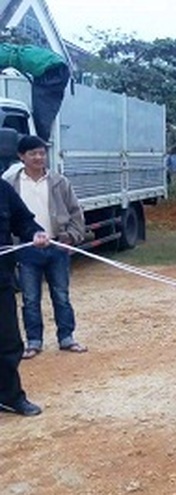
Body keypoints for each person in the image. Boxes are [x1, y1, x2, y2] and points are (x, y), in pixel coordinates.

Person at [3, 135, 86, 359]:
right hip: (27, 249)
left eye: (42, 152)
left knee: (61, 295)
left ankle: (67, 338)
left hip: (57, 246)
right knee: (30, 298)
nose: (39, 157)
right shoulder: (10, 184)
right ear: (21, 156)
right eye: (33, 153)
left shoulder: (59, 182)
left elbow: (76, 213)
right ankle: (34, 341)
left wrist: (71, 237)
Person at [0, 178, 49, 417]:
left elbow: (23, 221)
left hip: (1, 280)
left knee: (8, 343)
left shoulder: (3, 189)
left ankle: (9, 397)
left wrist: (35, 233)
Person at [0, 44, 71, 142]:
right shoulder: (6, 50)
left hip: (51, 70)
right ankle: (41, 138)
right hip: (56, 66)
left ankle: (40, 141)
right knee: (45, 105)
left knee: (43, 109)